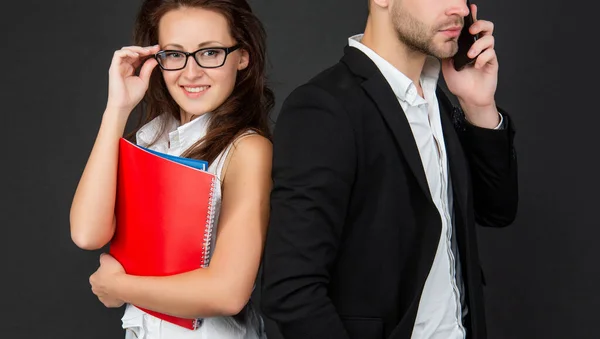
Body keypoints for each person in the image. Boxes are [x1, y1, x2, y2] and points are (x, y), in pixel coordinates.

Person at [260, 0, 518, 338]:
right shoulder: (323, 108)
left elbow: (497, 211)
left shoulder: (439, 97)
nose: (459, 7)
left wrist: (478, 105)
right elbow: (290, 288)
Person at [69, 0, 273, 338]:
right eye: (175, 55)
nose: (190, 73)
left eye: (210, 53)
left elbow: (227, 292)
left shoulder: (247, 149)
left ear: (242, 55)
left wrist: (119, 286)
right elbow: (88, 233)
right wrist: (116, 110)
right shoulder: (153, 138)